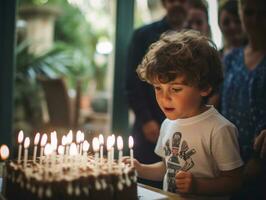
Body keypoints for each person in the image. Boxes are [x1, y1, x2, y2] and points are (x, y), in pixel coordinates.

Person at [125, 30, 244, 200]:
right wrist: (140, 168)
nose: (164, 97)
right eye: (158, 88)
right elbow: (167, 169)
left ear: (204, 87)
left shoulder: (219, 129)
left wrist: (197, 186)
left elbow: (234, 181)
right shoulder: (168, 124)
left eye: (176, 89)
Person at [125, 0, 191, 188]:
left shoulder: (197, 36)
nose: (177, 3)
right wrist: (147, 120)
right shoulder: (143, 35)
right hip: (149, 125)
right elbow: (132, 82)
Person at [221, 0, 266, 199]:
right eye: (249, 12)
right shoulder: (231, 58)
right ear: (240, 13)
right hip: (227, 157)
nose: (256, 20)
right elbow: (217, 101)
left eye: (263, 13)